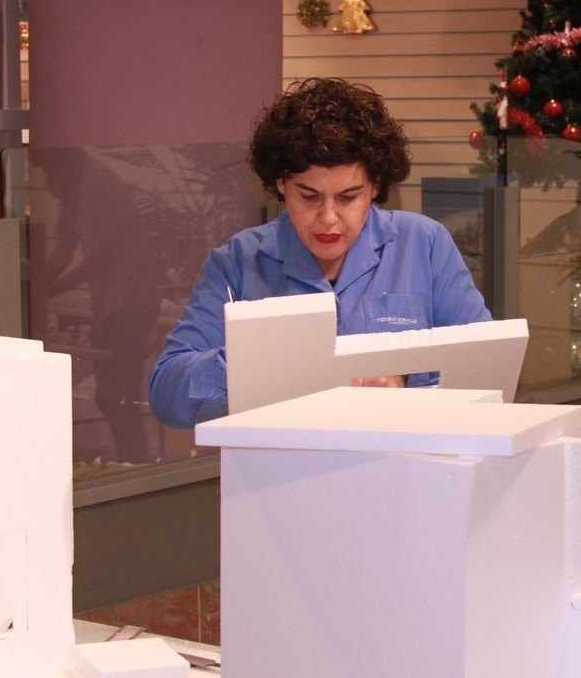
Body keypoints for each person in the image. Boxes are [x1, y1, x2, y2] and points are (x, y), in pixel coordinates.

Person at [148, 78, 490, 428]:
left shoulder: (424, 245)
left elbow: (486, 370)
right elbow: (168, 393)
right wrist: (260, 362)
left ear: (375, 185)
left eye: (348, 197)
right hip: (282, 461)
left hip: (404, 455)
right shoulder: (237, 261)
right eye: (309, 197)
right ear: (281, 183)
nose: (328, 218)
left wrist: (408, 383)